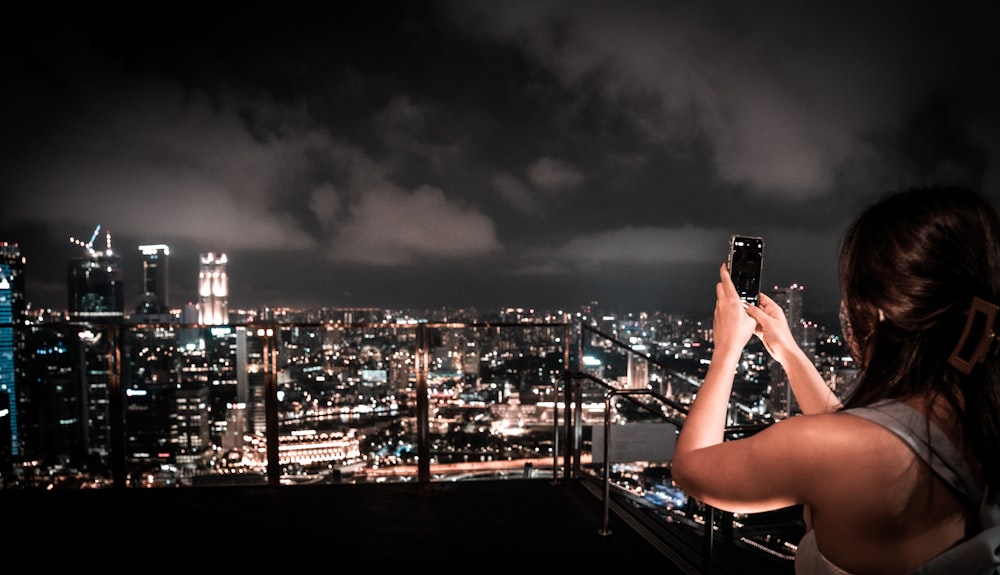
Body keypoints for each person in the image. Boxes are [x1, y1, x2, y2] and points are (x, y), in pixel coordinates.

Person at [670, 185, 1000, 574]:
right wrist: (789, 351)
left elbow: (691, 467)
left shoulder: (831, 448)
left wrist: (727, 349)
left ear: (876, 311)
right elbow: (875, 432)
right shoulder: (973, 412)